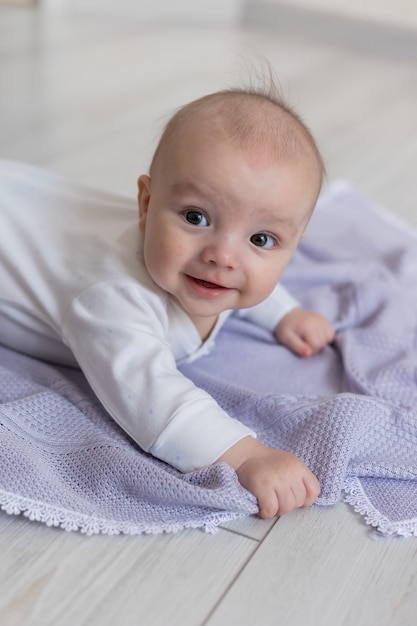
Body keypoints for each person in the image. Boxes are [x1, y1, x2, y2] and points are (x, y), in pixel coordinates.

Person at [0, 84, 335, 519]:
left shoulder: (211, 260)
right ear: (146, 203)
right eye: (196, 217)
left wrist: (283, 311)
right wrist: (247, 456)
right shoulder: (112, 297)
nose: (223, 255)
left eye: (261, 239)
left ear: (293, 246)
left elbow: (242, 275)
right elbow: (152, 400)